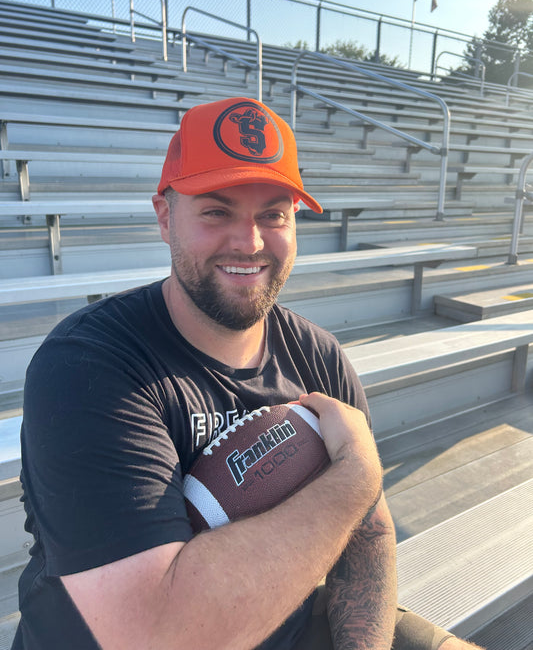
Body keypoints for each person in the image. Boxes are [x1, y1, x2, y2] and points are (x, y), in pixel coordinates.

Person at [13, 97, 484, 650]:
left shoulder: (319, 356)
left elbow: (370, 535)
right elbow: (161, 636)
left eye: (273, 213)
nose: (250, 241)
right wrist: (357, 473)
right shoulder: (89, 366)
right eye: (216, 211)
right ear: (165, 217)